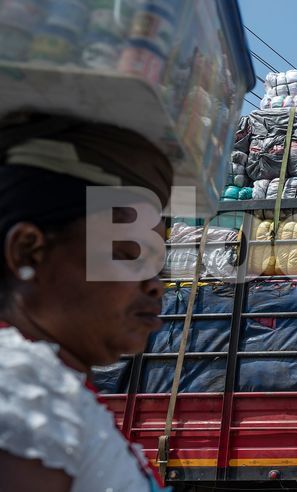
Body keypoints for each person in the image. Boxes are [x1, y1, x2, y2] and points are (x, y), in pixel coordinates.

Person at [0, 114, 174, 491]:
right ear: (28, 252)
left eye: (157, 264)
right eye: (129, 255)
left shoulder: (54, 390)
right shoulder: (19, 388)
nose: (156, 286)